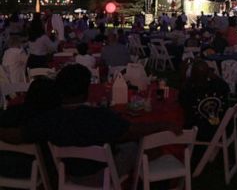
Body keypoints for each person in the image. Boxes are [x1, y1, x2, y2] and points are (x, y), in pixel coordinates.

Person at [0, 64, 179, 185]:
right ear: (86, 90)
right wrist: (162, 124)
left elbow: (16, 135)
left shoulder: (48, 119)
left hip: (67, 173)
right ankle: (157, 174)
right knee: (136, 145)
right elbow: (132, 131)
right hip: (104, 174)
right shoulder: (100, 117)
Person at [179, 60, 230, 142]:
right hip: (222, 128)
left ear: (192, 75)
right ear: (208, 73)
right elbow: (226, 87)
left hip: (198, 132)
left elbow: (181, 102)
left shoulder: (189, 91)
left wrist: (183, 76)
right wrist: (214, 75)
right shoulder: (220, 85)